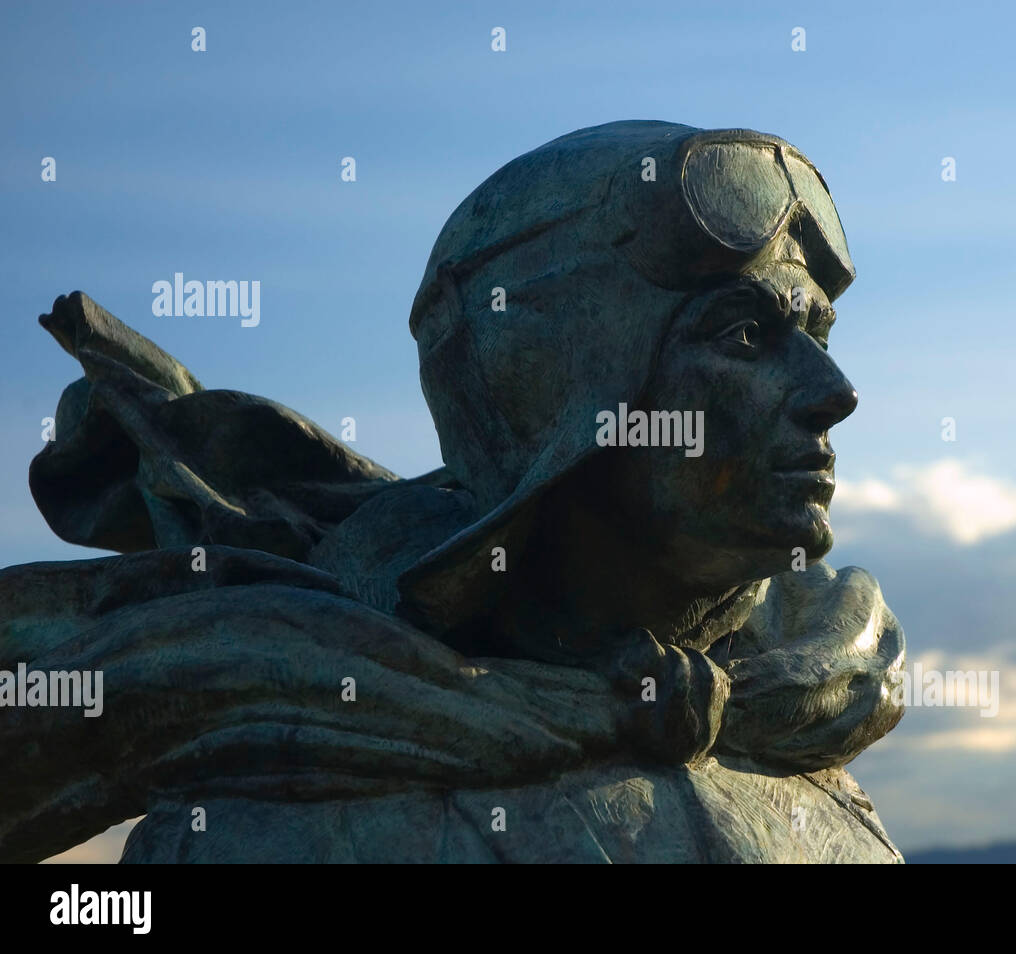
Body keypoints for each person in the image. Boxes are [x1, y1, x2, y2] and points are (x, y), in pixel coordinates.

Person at [0, 121, 907, 863]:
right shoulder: (284, 809)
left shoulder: (811, 728)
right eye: (746, 336)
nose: (835, 392)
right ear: (567, 395)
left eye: (819, 333)